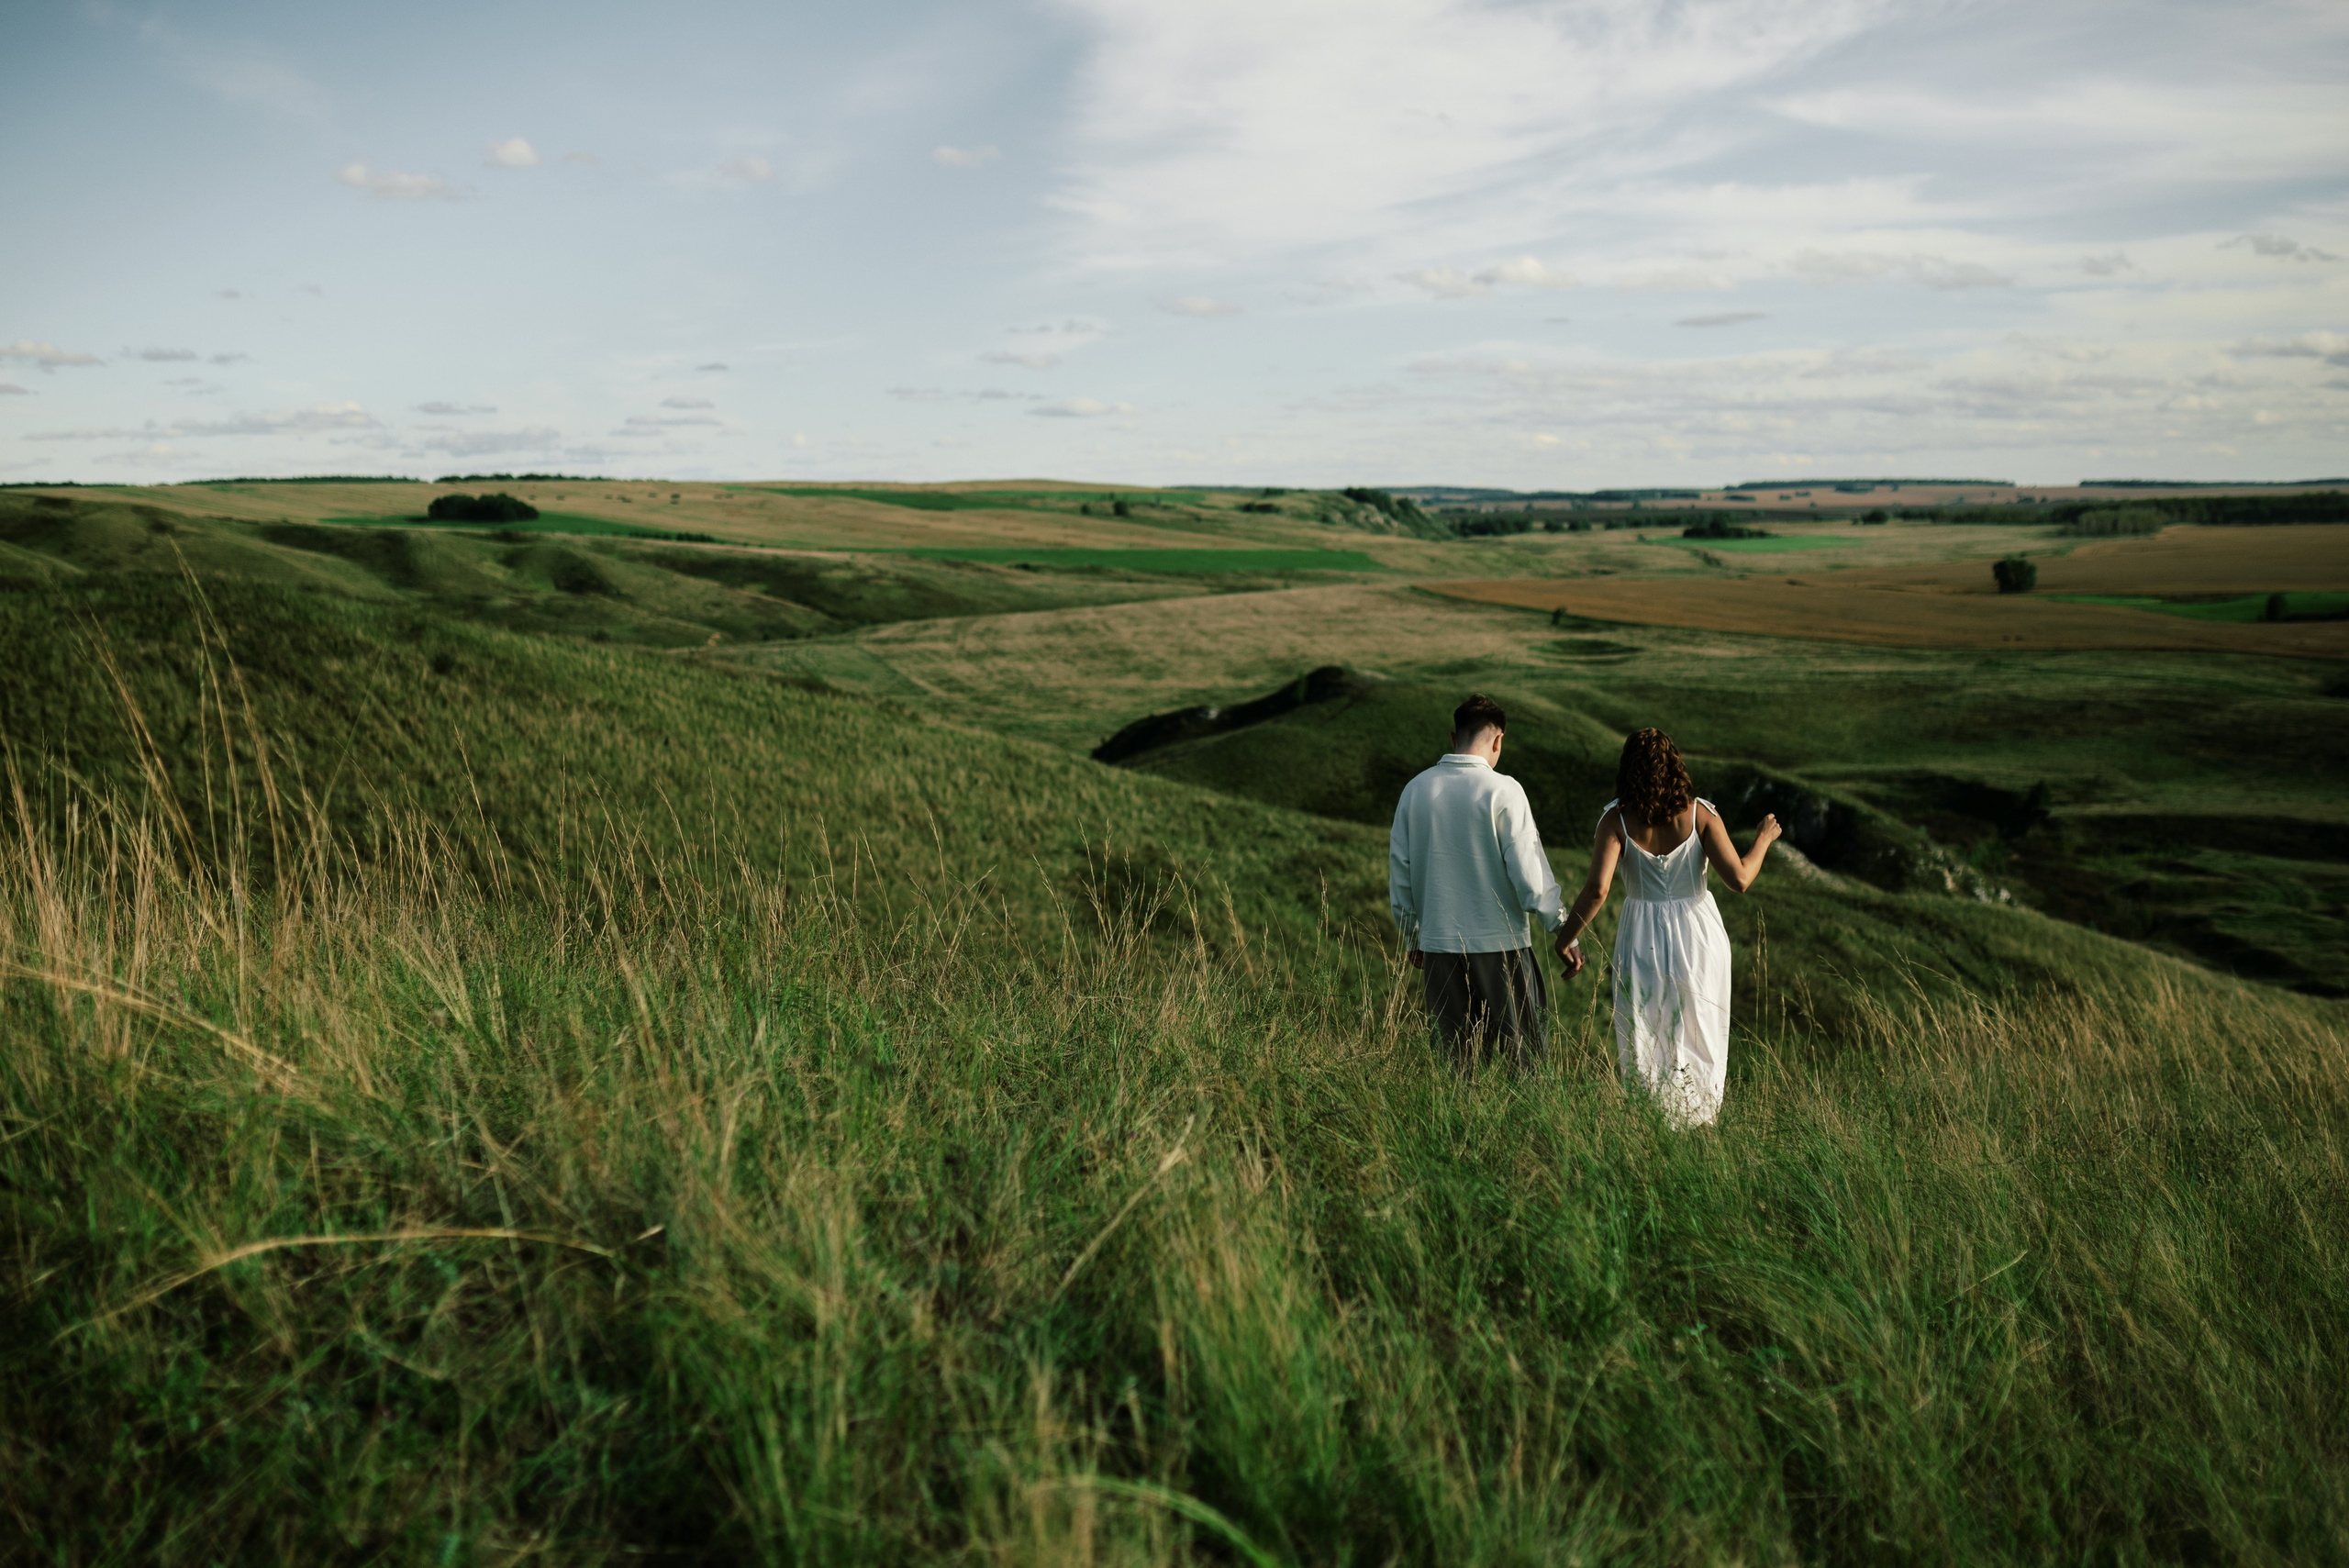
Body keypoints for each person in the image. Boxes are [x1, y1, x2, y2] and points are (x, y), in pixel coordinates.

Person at [1554, 728, 1780, 1127]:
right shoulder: (1700, 815)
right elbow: (1741, 879)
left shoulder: (1616, 820)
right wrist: (1762, 839)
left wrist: (1566, 937)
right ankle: (1700, 1122)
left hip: (1642, 935)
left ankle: (1653, 1123)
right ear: (1676, 765)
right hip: (1698, 934)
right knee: (1700, 1031)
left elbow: (1597, 889)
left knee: (1645, 1031)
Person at [1388, 694, 1564, 1072]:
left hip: (1438, 948)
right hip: (1502, 947)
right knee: (1527, 1066)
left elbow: (1400, 875)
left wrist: (1413, 935)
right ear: (1498, 740)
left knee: (1456, 1070)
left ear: (1454, 738)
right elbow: (1532, 881)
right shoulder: (1504, 790)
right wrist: (1563, 928)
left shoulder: (1415, 790)